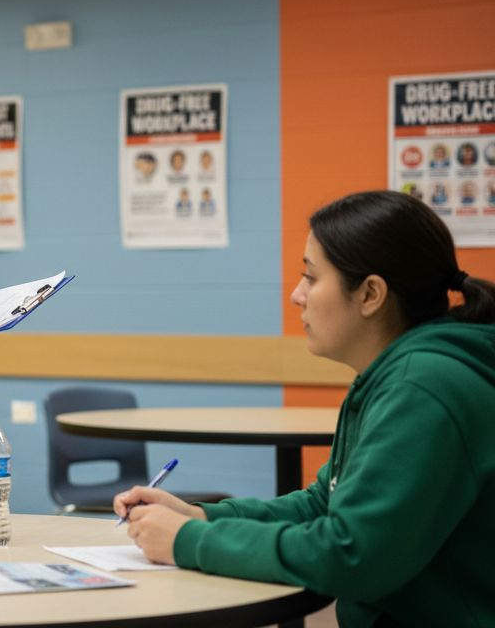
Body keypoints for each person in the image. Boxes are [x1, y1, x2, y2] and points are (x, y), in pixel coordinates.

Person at [115, 190, 495, 627]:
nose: (297, 295)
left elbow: (350, 555)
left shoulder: (422, 387)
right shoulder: (397, 373)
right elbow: (324, 504)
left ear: (370, 294)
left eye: (311, 277)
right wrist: (201, 516)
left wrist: (189, 541)